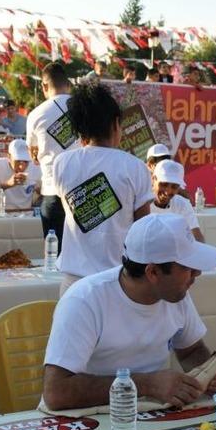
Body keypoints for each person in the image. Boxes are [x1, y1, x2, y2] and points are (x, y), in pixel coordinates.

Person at [41, 214, 216, 411]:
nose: (197, 273)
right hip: (91, 419)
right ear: (153, 272)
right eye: (188, 268)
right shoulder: (85, 300)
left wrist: (209, 373)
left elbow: (191, 351)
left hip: (148, 413)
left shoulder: (173, 293)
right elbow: (56, 392)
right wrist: (147, 384)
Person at [54, 83, 152, 294]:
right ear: (115, 123)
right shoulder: (134, 166)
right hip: (118, 281)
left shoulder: (61, 163)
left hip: (73, 283)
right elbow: (143, 230)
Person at [26, 62, 79, 246]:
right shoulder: (84, 108)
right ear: (68, 84)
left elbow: (33, 154)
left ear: (44, 86)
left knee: (54, 256)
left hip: (52, 191)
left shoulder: (35, 114)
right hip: (83, 190)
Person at [0, 139, 41, 210]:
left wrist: (40, 192)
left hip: (25, 214)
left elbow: (44, 195)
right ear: (8, 156)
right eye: (18, 161)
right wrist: (7, 184)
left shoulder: (36, 167)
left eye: (26, 161)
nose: (22, 166)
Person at [150, 160, 204, 242]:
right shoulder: (141, 202)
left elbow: (197, 236)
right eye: (164, 184)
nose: (168, 191)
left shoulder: (182, 204)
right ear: (153, 179)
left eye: (174, 187)